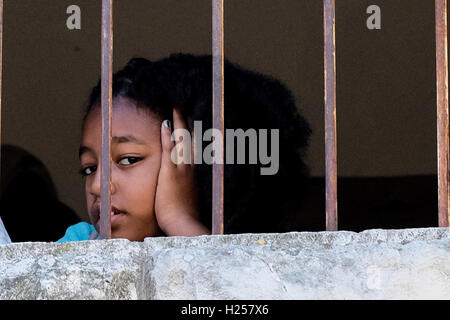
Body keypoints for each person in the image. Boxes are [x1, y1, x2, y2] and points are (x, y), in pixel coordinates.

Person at [57, 53, 311, 242]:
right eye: (89, 168)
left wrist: (178, 219)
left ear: (200, 165)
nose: (97, 185)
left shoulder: (254, 262)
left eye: (128, 159)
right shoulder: (79, 243)